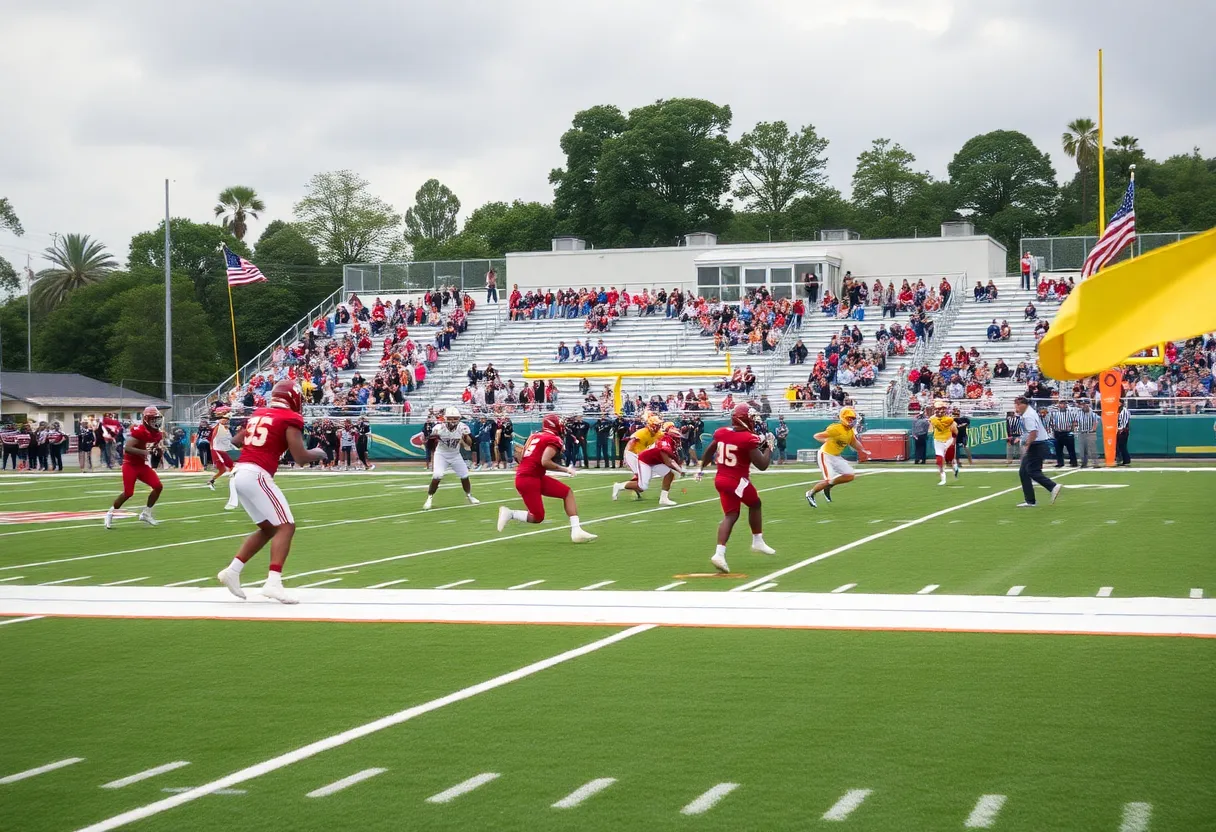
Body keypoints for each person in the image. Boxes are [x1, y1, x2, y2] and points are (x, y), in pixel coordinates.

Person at [216, 381, 329, 604]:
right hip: (256, 474)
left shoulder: (259, 413)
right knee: (286, 526)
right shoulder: (290, 418)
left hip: (240, 473)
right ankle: (273, 582)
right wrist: (320, 452)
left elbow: (237, 440)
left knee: (269, 529)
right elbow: (300, 457)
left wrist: (264, 444)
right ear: (294, 398)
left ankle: (232, 570)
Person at [696, 404, 776, 573]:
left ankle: (719, 554)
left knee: (731, 515)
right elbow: (762, 465)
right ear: (744, 418)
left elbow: (711, 449)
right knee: (755, 504)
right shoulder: (748, 438)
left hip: (720, 479)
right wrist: (769, 447)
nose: (753, 420)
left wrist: (701, 467)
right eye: (751, 417)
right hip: (737, 480)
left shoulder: (723, 432)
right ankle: (757, 540)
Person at [497, 413, 597, 542]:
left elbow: (520, 457)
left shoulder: (534, 436)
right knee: (537, 517)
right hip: (529, 479)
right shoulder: (553, 439)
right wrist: (565, 469)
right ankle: (510, 513)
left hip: (532, 476)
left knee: (567, 492)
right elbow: (545, 461)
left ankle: (576, 531)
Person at [104, 407, 165, 529]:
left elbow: (154, 448)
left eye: (157, 419)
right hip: (130, 465)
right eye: (154, 419)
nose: (156, 422)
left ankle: (146, 513)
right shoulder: (139, 430)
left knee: (158, 486)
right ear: (147, 419)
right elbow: (127, 448)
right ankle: (110, 513)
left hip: (141, 465)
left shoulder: (157, 434)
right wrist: (145, 452)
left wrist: (158, 452)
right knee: (128, 493)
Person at [805, 407, 869, 507]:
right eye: (849, 419)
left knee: (849, 475)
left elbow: (853, 442)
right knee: (827, 479)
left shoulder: (850, 431)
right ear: (844, 418)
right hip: (825, 455)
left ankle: (829, 486)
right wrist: (826, 441)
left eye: (853, 419)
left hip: (835, 456)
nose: (852, 421)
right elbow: (817, 436)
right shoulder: (836, 428)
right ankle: (810, 493)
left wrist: (863, 449)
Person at [424, 407, 479, 509]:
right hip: (441, 454)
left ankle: (469, 495)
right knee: (437, 475)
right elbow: (430, 446)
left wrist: (465, 435)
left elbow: (470, 444)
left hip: (455, 454)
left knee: (464, 475)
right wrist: (433, 438)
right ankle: (429, 498)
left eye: (455, 418)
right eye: (450, 418)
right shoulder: (438, 428)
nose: (453, 420)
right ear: (445, 418)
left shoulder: (463, 427)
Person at [618, 423, 684, 505]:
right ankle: (619, 486)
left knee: (669, 474)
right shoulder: (664, 442)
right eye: (676, 438)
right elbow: (669, 462)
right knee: (642, 486)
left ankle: (663, 498)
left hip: (654, 461)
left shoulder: (666, 439)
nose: (678, 440)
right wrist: (680, 470)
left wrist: (679, 468)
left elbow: (673, 459)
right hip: (645, 461)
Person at [1013, 396, 1062, 507]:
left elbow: (1033, 433)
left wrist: (1027, 445)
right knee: (1023, 472)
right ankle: (1030, 501)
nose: (1016, 408)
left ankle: (1052, 486)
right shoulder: (1029, 413)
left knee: (1032, 471)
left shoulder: (1028, 416)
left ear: (1022, 404)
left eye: (1016, 405)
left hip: (1036, 445)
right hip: (1038, 444)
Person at [613, 412, 664, 499]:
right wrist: (625, 456)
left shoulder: (659, 434)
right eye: (656, 425)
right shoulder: (642, 432)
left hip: (643, 456)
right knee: (641, 477)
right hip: (633, 454)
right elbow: (630, 443)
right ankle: (619, 486)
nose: (658, 426)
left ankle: (634, 490)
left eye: (659, 425)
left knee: (642, 477)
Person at [206, 415, 240, 510]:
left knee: (224, 470)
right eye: (224, 419)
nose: (225, 420)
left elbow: (229, 440)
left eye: (226, 419)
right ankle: (235, 486)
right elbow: (213, 439)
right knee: (229, 469)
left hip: (224, 450)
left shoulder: (226, 429)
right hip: (218, 450)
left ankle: (211, 481)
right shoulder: (218, 427)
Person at [929, 400, 960, 486]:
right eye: (937, 409)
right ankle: (943, 479)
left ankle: (955, 466)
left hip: (948, 440)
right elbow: (931, 429)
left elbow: (942, 427)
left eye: (940, 409)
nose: (938, 411)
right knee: (939, 461)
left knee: (949, 460)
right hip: (938, 440)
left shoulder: (949, 419)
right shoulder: (933, 418)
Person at [1049, 401, 1078, 468]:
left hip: (1067, 432)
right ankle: (1060, 463)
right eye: (1061, 404)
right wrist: (1054, 429)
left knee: (1071, 449)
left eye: (1064, 404)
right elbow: (1051, 422)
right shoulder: (1055, 413)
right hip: (1058, 432)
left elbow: (1074, 422)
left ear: (1066, 405)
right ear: (1059, 405)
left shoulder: (1070, 412)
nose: (1062, 405)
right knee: (1058, 449)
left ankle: (1073, 462)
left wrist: (1071, 429)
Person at [1075, 399, 1100, 468]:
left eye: (1085, 404)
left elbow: (1096, 422)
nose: (1084, 406)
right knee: (1082, 449)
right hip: (1082, 433)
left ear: (1088, 404)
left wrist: (1093, 429)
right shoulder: (1079, 413)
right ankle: (1084, 463)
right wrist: (1076, 429)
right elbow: (1076, 422)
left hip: (1090, 433)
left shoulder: (1092, 413)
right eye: (1083, 404)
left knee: (1092, 449)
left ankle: (1095, 463)